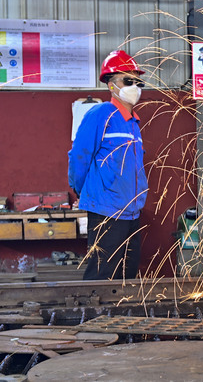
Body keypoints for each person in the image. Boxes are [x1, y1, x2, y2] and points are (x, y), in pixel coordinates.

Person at [68, 50, 148, 280]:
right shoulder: (101, 114)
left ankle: (121, 316)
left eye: (137, 81)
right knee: (102, 275)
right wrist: (86, 192)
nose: (134, 86)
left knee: (127, 274)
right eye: (128, 80)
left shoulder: (133, 123)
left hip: (131, 212)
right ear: (111, 85)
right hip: (107, 211)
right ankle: (93, 315)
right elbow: (79, 157)